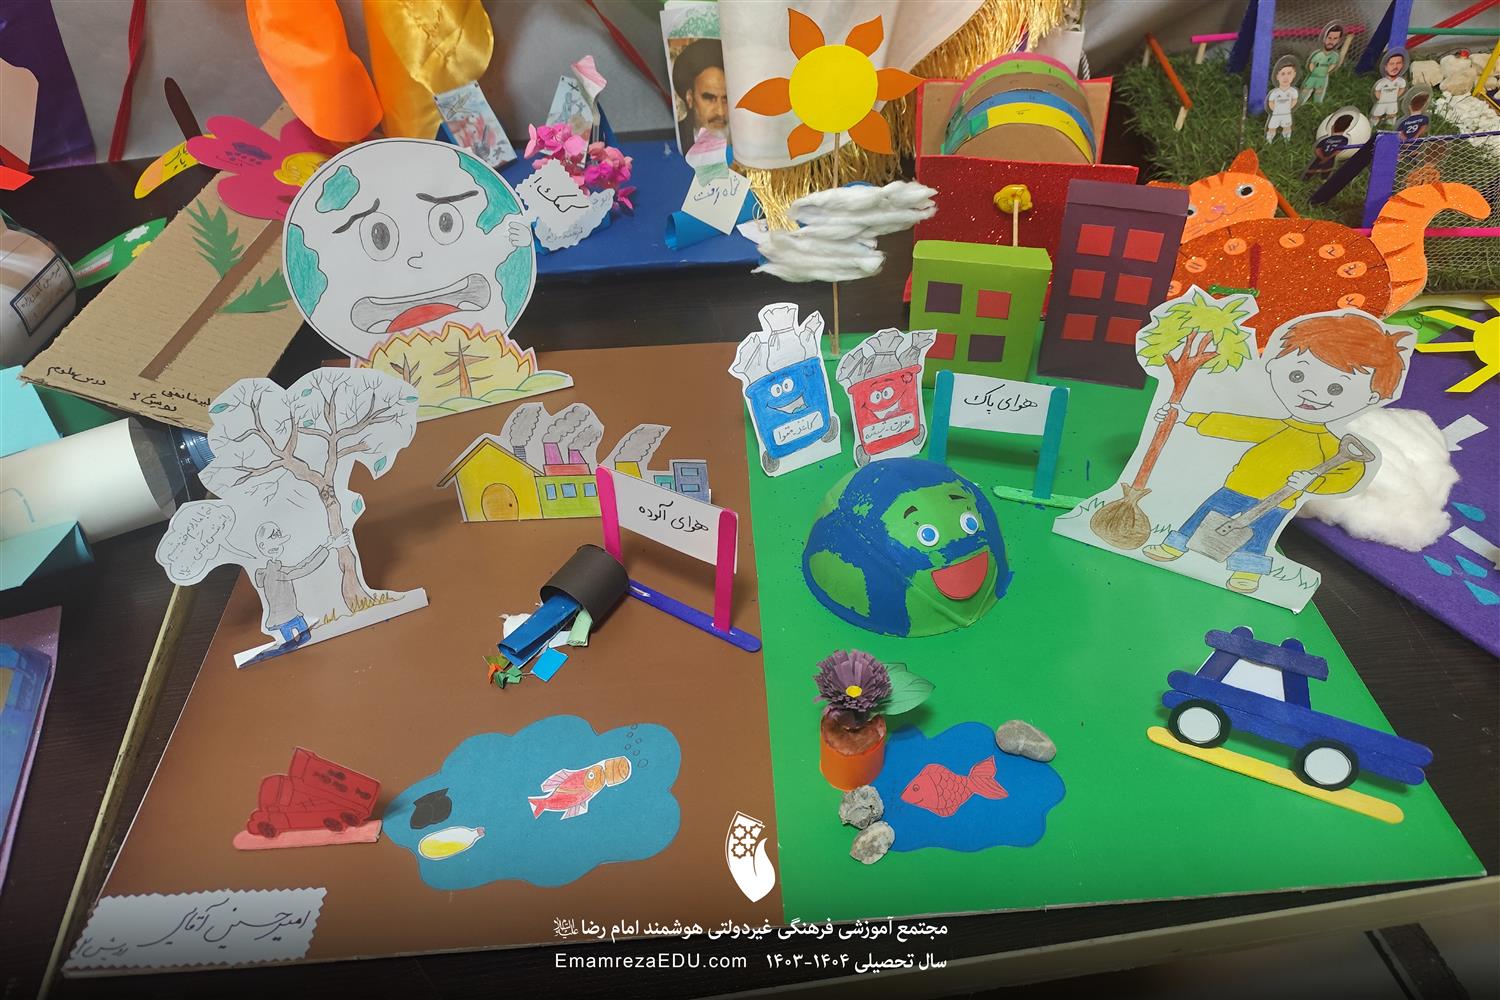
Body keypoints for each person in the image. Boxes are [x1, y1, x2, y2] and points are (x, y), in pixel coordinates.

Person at [1142, 313, 1406, 594]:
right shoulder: (1278, 425)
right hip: (1237, 486)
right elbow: (1239, 426)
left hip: (1280, 501)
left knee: (1260, 535)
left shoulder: (1333, 447)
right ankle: (1175, 545)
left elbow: (1349, 475)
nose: (1310, 392)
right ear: (1273, 365)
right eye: (1297, 375)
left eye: (1335, 388)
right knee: (1205, 514)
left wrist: (1314, 482)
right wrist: (1188, 417)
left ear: (1372, 398)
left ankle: (1247, 571)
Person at [250, 524, 347, 647]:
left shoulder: (278, 569)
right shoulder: (273, 573)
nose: (277, 547)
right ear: (262, 546)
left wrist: (327, 545)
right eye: (273, 542)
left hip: (292, 615)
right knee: (296, 642)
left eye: (279, 543)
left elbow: (301, 565)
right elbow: (304, 569)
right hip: (284, 619)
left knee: (305, 638)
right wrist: (331, 547)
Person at [671, 38, 729, 153]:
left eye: (725, 99)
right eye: (710, 98)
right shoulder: (677, 138)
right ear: (690, 98)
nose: (721, 112)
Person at [1304, 23, 1345, 103]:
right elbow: (1312, 63)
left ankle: (1317, 104)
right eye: (1329, 38)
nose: (1331, 41)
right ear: (1324, 38)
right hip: (1313, 76)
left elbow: (1333, 64)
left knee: (1319, 92)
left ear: (1339, 40)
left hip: (1323, 77)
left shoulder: (1334, 56)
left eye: (1335, 38)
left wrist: (1326, 71)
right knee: (1306, 89)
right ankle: (1301, 102)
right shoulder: (1318, 54)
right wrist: (1313, 71)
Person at [1370, 48, 1409, 128]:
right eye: (1391, 64)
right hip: (1381, 102)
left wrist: (1395, 96)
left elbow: (1402, 88)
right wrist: (1382, 98)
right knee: (1377, 114)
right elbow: (1376, 91)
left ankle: (1389, 126)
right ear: (1385, 67)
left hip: (1393, 102)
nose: (1395, 67)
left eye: (1398, 63)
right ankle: (1372, 125)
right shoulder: (1382, 82)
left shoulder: (1401, 81)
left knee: (1392, 114)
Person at [1265, 56, 1300, 142]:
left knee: (1287, 127)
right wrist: (1275, 109)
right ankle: (1269, 141)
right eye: (1283, 74)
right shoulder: (1275, 92)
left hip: (1286, 114)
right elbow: (1271, 102)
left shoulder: (1293, 91)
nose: (1286, 77)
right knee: (1272, 128)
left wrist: (1288, 108)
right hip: (1276, 114)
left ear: (1294, 75)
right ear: (1277, 76)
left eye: (1289, 73)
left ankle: (1287, 140)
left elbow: (1294, 100)